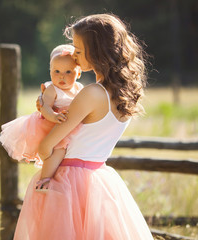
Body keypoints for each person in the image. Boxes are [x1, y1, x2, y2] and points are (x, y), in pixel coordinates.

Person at [13, 14, 154, 240]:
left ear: (96, 50)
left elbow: (48, 144)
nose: (74, 56)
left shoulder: (91, 93)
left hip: (70, 181)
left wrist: (41, 143)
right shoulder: (122, 94)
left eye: (78, 50)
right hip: (100, 177)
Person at [0, 44, 84, 183]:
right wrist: (54, 116)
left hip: (69, 125)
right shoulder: (52, 89)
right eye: (56, 71)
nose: (62, 76)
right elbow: (45, 108)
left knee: (67, 154)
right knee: (59, 151)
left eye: (68, 72)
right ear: (50, 72)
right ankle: (45, 179)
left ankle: (59, 177)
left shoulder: (80, 88)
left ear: (79, 73)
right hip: (52, 124)